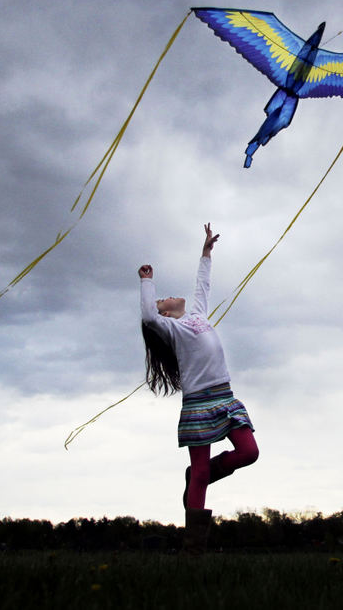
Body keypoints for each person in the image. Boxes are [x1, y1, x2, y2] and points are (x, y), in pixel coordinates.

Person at [138, 223, 259, 554]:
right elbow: (148, 317)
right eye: (164, 300)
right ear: (165, 312)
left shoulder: (197, 315)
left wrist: (206, 251)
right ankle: (193, 549)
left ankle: (200, 475)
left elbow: (202, 285)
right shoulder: (172, 329)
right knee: (201, 474)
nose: (170, 297)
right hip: (198, 404)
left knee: (249, 452)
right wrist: (147, 283)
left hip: (225, 397)